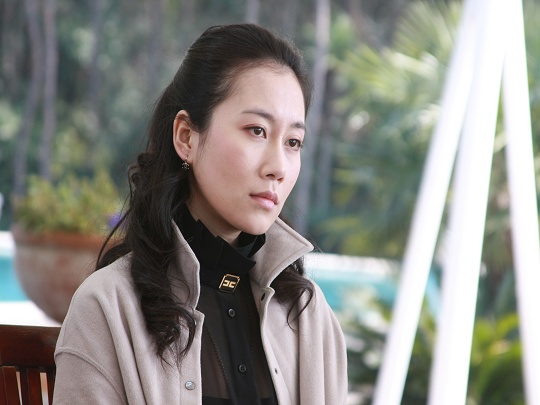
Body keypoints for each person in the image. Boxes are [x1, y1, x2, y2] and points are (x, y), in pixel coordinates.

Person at [53, 23, 348, 404]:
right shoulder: (107, 308)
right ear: (186, 137)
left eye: (293, 142)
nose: (279, 166)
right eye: (257, 130)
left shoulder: (308, 316)